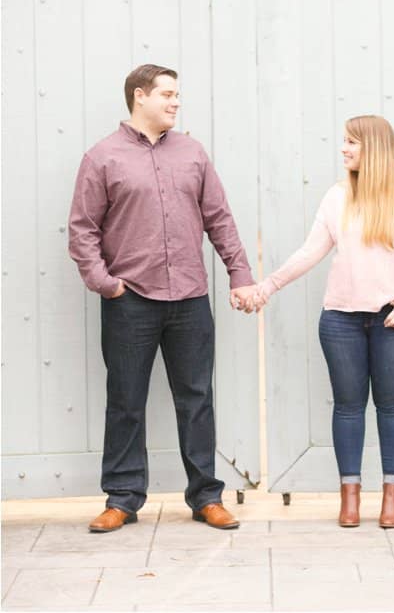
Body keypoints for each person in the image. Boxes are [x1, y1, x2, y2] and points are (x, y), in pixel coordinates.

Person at [69, 64, 258, 533]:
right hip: (129, 301)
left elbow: (220, 218)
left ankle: (205, 497)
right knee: (126, 401)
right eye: (168, 95)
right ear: (139, 97)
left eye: (177, 95)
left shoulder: (192, 153)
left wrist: (240, 274)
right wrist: (107, 284)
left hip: (190, 299)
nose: (176, 103)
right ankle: (123, 498)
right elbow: (82, 231)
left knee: (196, 399)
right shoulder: (102, 158)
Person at [251, 114, 394, 528]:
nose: (344, 149)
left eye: (351, 142)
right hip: (341, 321)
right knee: (348, 407)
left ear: (373, 147)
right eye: (344, 142)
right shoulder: (337, 197)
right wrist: (268, 286)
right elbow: (310, 252)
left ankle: (392, 496)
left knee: (392, 406)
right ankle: (349, 496)